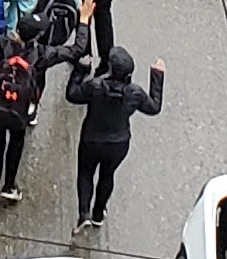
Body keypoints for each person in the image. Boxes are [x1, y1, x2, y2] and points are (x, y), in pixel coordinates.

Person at [66, 46, 164, 227]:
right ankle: (98, 214)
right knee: (107, 175)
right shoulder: (134, 93)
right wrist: (157, 75)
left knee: (86, 173)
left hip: (92, 139)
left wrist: (80, 70)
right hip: (118, 143)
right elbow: (154, 107)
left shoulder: (95, 86)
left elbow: (72, 95)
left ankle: (84, 214)